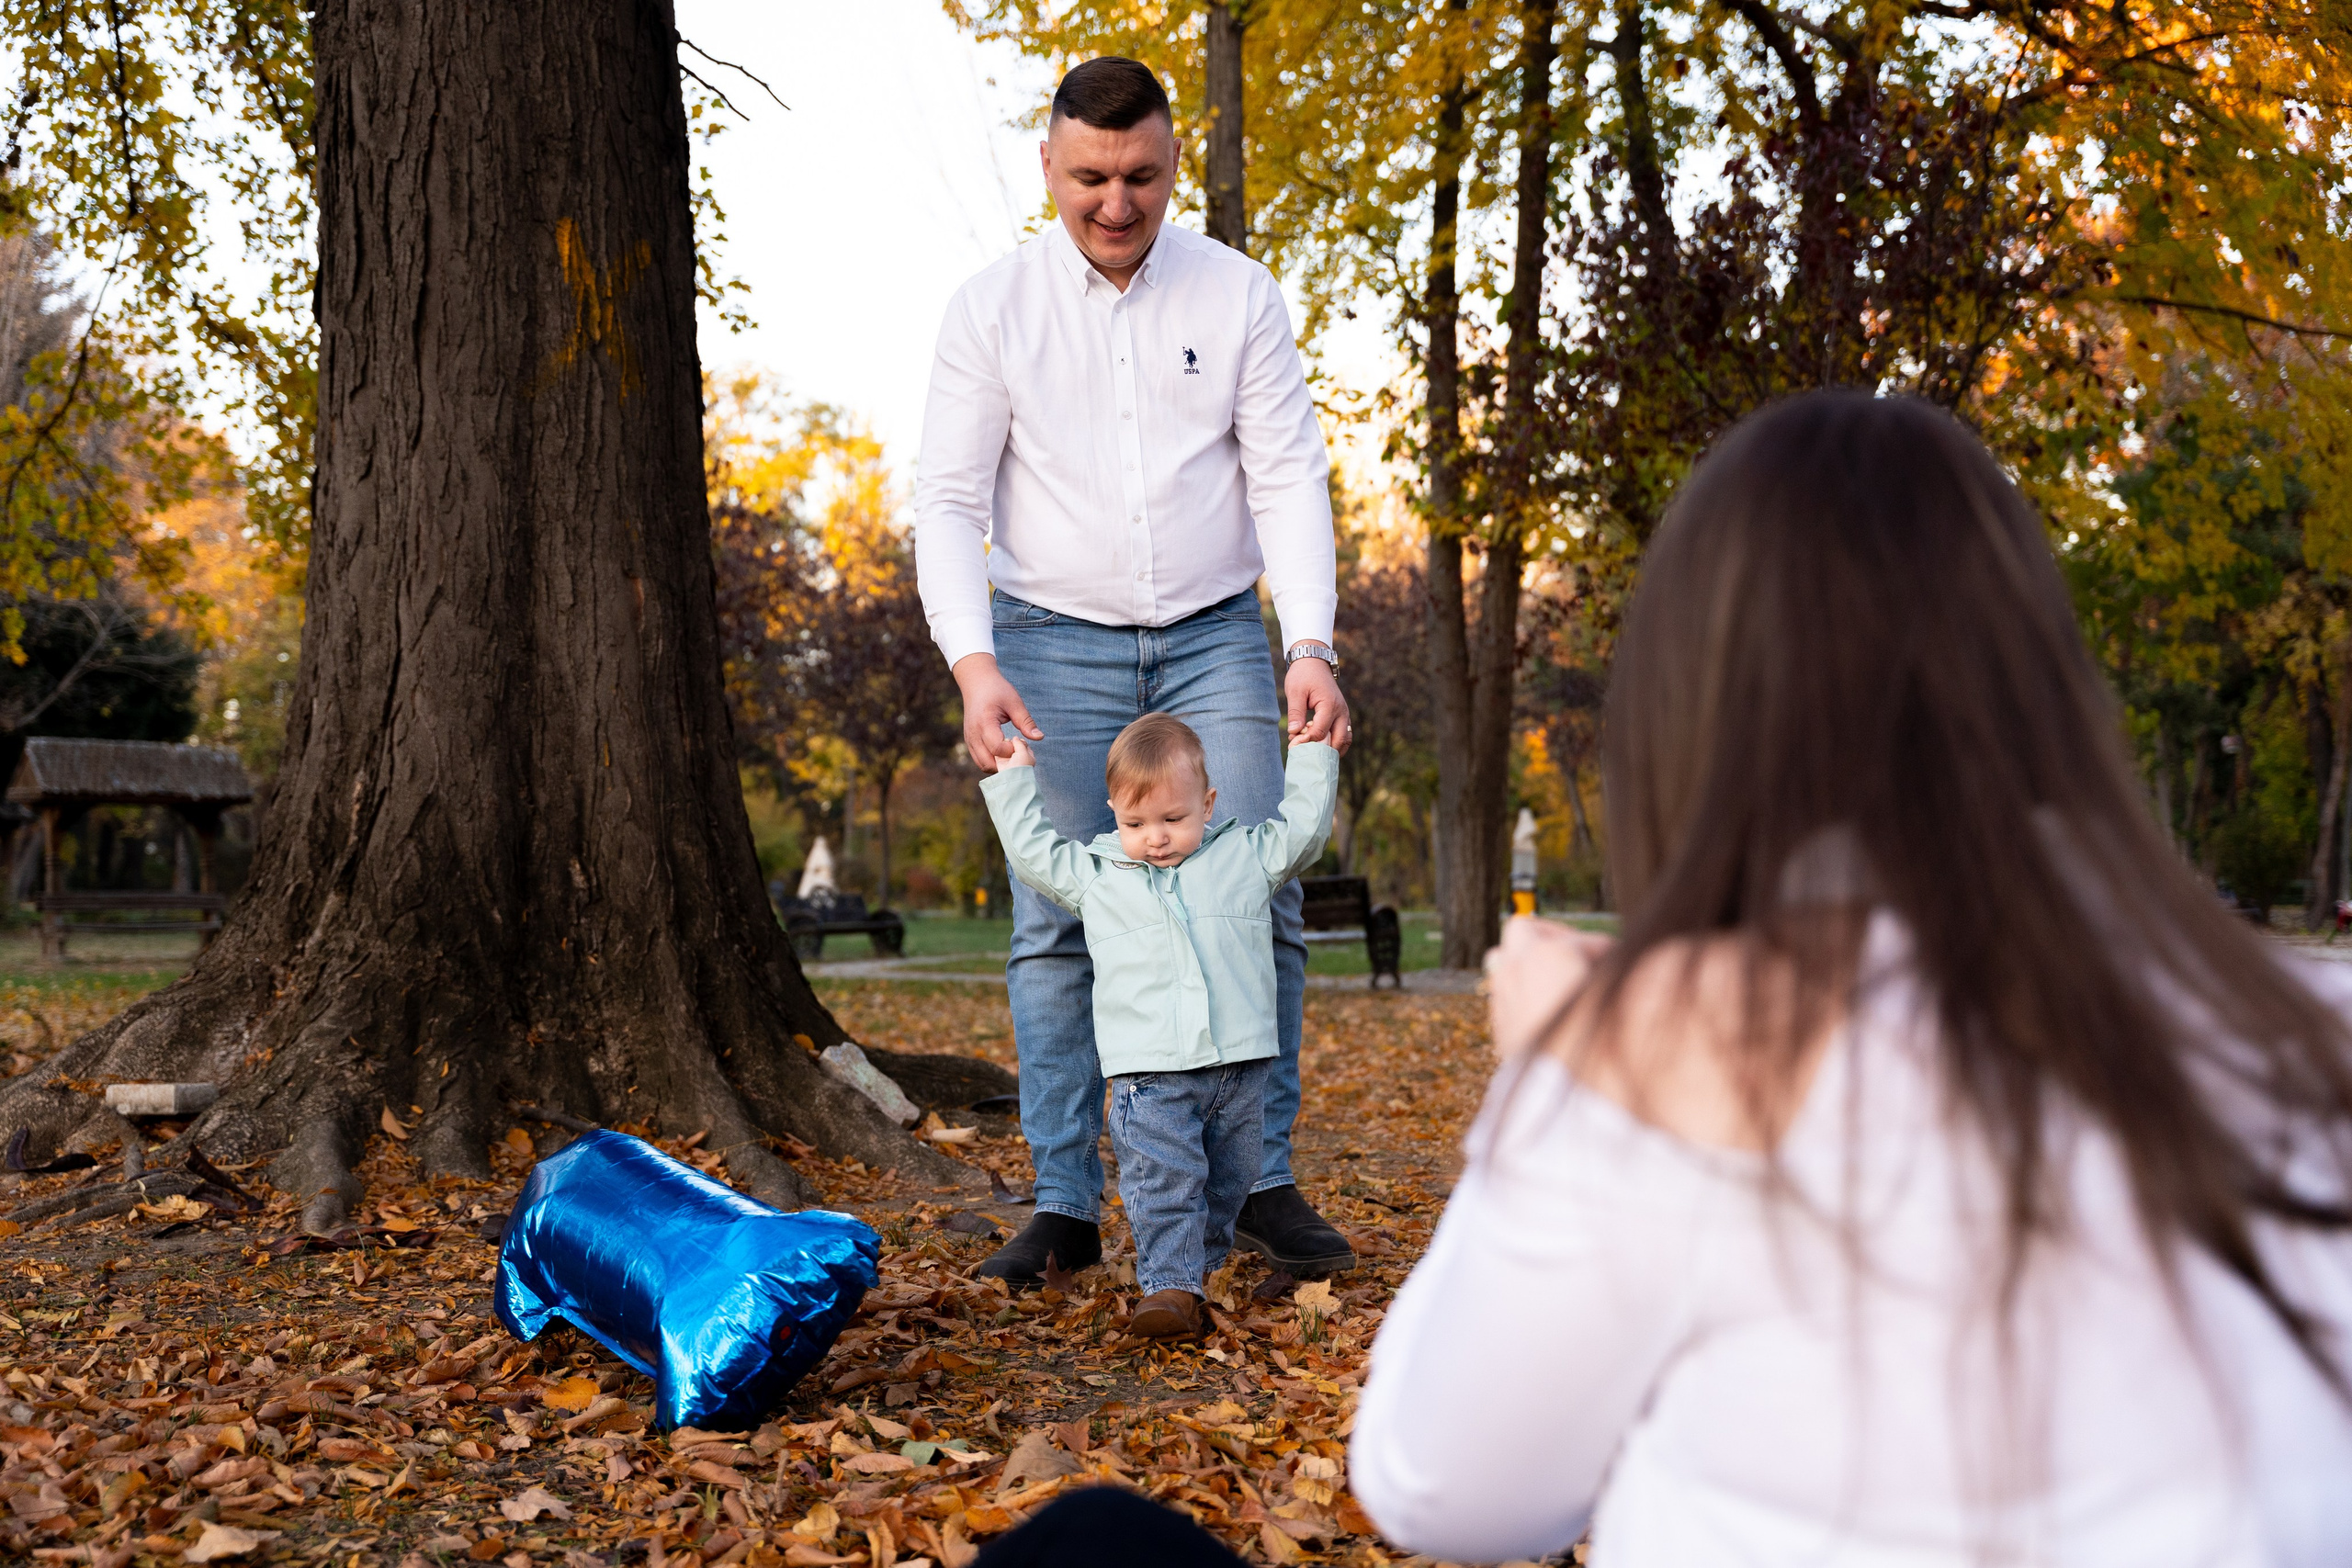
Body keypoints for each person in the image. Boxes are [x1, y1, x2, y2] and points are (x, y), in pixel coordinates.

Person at [1350, 391, 2352, 1564]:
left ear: (1691, 714)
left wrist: (1561, 1078)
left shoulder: (1667, 1066)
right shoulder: (2310, 1031)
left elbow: (1441, 1492)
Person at [914, 55, 1355, 1286]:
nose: (1118, 201)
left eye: (1143, 176)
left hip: (1218, 631)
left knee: (1256, 891)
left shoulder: (1239, 296)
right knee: (1056, 920)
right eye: (1092, 177)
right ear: (1048, 167)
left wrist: (1306, 640)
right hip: (1049, 637)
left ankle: (1257, 1178)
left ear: (1174, 165)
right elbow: (948, 499)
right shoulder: (990, 310)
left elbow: (1286, 476)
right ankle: (1066, 1200)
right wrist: (973, 663)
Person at [978, 716, 1338, 1336]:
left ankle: (1201, 1269)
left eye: (1173, 819)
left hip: (1239, 1070)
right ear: (1113, 810)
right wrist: (1013, 780)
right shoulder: (1096, 874)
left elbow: (1304, 832)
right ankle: (1169, 1287)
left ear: (1208, 803)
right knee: (1166, 1181)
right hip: (1151, 1077)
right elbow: (1034, 852)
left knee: (1229, 1181)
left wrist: (1311, 756)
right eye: (1135, 823)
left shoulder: (1243, 855)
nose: (1155, 838)